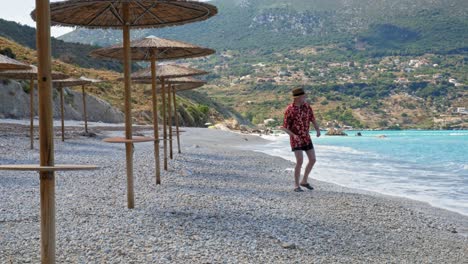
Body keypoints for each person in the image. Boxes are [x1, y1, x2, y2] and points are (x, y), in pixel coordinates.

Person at [281, 88, 321, 192]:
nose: (305, 98)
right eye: (304, 96)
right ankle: (296, 185)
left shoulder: (307, 107)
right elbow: (284, 127)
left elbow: (313, 119)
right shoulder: (289, 109)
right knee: (300, 161)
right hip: (296, 138)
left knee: (312, 160)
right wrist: (293, 135)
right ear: (298, 97)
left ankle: (304, 181)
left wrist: (317, 129)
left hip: (306, 137)